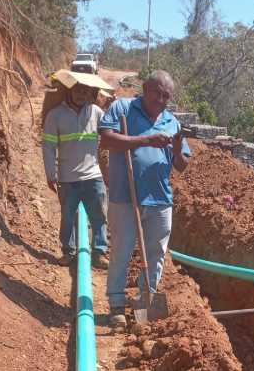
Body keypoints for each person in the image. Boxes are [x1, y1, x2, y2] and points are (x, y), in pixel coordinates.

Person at [99, 70, 191, 328]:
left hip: (160, 199)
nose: (161, 99)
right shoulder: (123, 109)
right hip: (125, 196)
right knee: (121, 251)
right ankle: (116, 304)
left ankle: (145, 300)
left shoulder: (172, 122)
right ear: (145, 89)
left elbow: (182, 165)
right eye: (157, 93)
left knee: (156, 253)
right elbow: (106, 140)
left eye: (166, 96)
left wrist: (175, 147)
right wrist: (144, 140)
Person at [42, 76, 110, 268]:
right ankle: (68, 252)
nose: (82, 94)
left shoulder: (96, 112)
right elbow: (48, 146)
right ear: (70, 90)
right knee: (68, 217)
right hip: (67, 178)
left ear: (91, 93)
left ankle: (99, 252)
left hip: (93, 175)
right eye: (78, 90)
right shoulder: (55, 115)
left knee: (99, 215)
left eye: (86, 91)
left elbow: (110, 133)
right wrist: (50, 174)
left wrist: (113, 112)